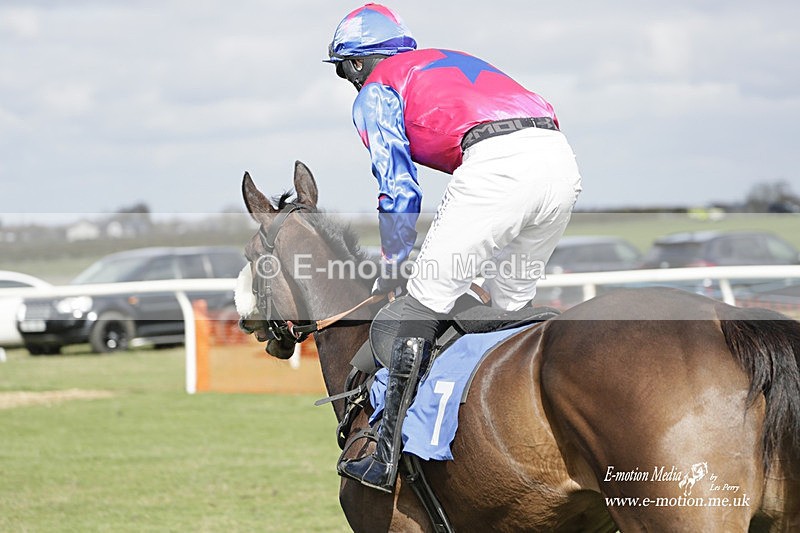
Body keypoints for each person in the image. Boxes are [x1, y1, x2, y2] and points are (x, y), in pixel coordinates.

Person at [326, 3, 582, 493]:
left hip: (497, 167)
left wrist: (396, 259)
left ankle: (383, 455)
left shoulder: (377, 90)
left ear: (357, 64)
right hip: (560, 162)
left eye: (345, 72)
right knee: (510, 311)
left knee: (414, 312)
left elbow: (399, 188)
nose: (349, 83)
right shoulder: (445, 59)